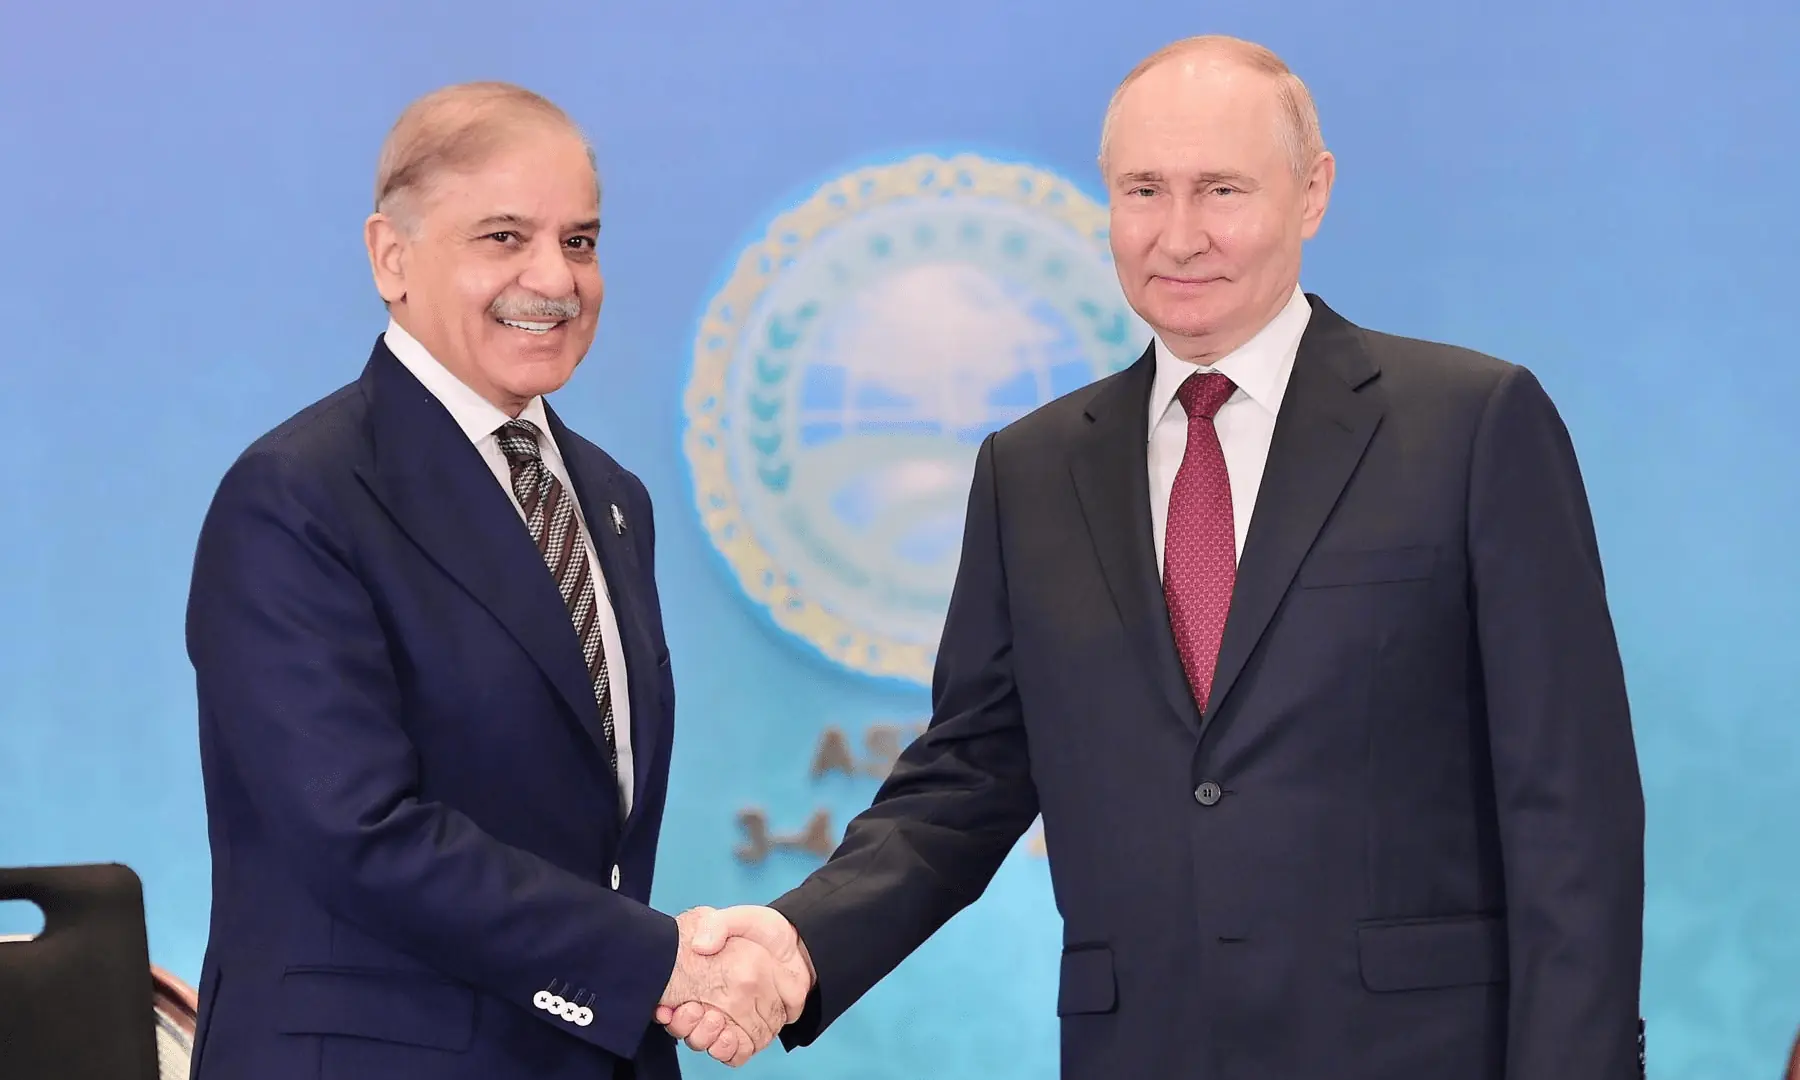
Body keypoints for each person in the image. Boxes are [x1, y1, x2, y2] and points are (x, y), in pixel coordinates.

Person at [660, 35, 1647, 1079]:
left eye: (1222, 189)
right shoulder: (1030, 471)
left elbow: (1570, 811)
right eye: (1143, 191)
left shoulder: (1471, 426)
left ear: (1313, 194)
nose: (1179, 236)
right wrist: (802, 943)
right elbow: (967, 777)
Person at [185, 82, 803, 1080]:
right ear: (392, 257)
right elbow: (360, 833)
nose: (553, 277)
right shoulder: (297, 496)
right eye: (505, 238)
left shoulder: (611, 499)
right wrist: (658, 963)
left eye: (582, 241)